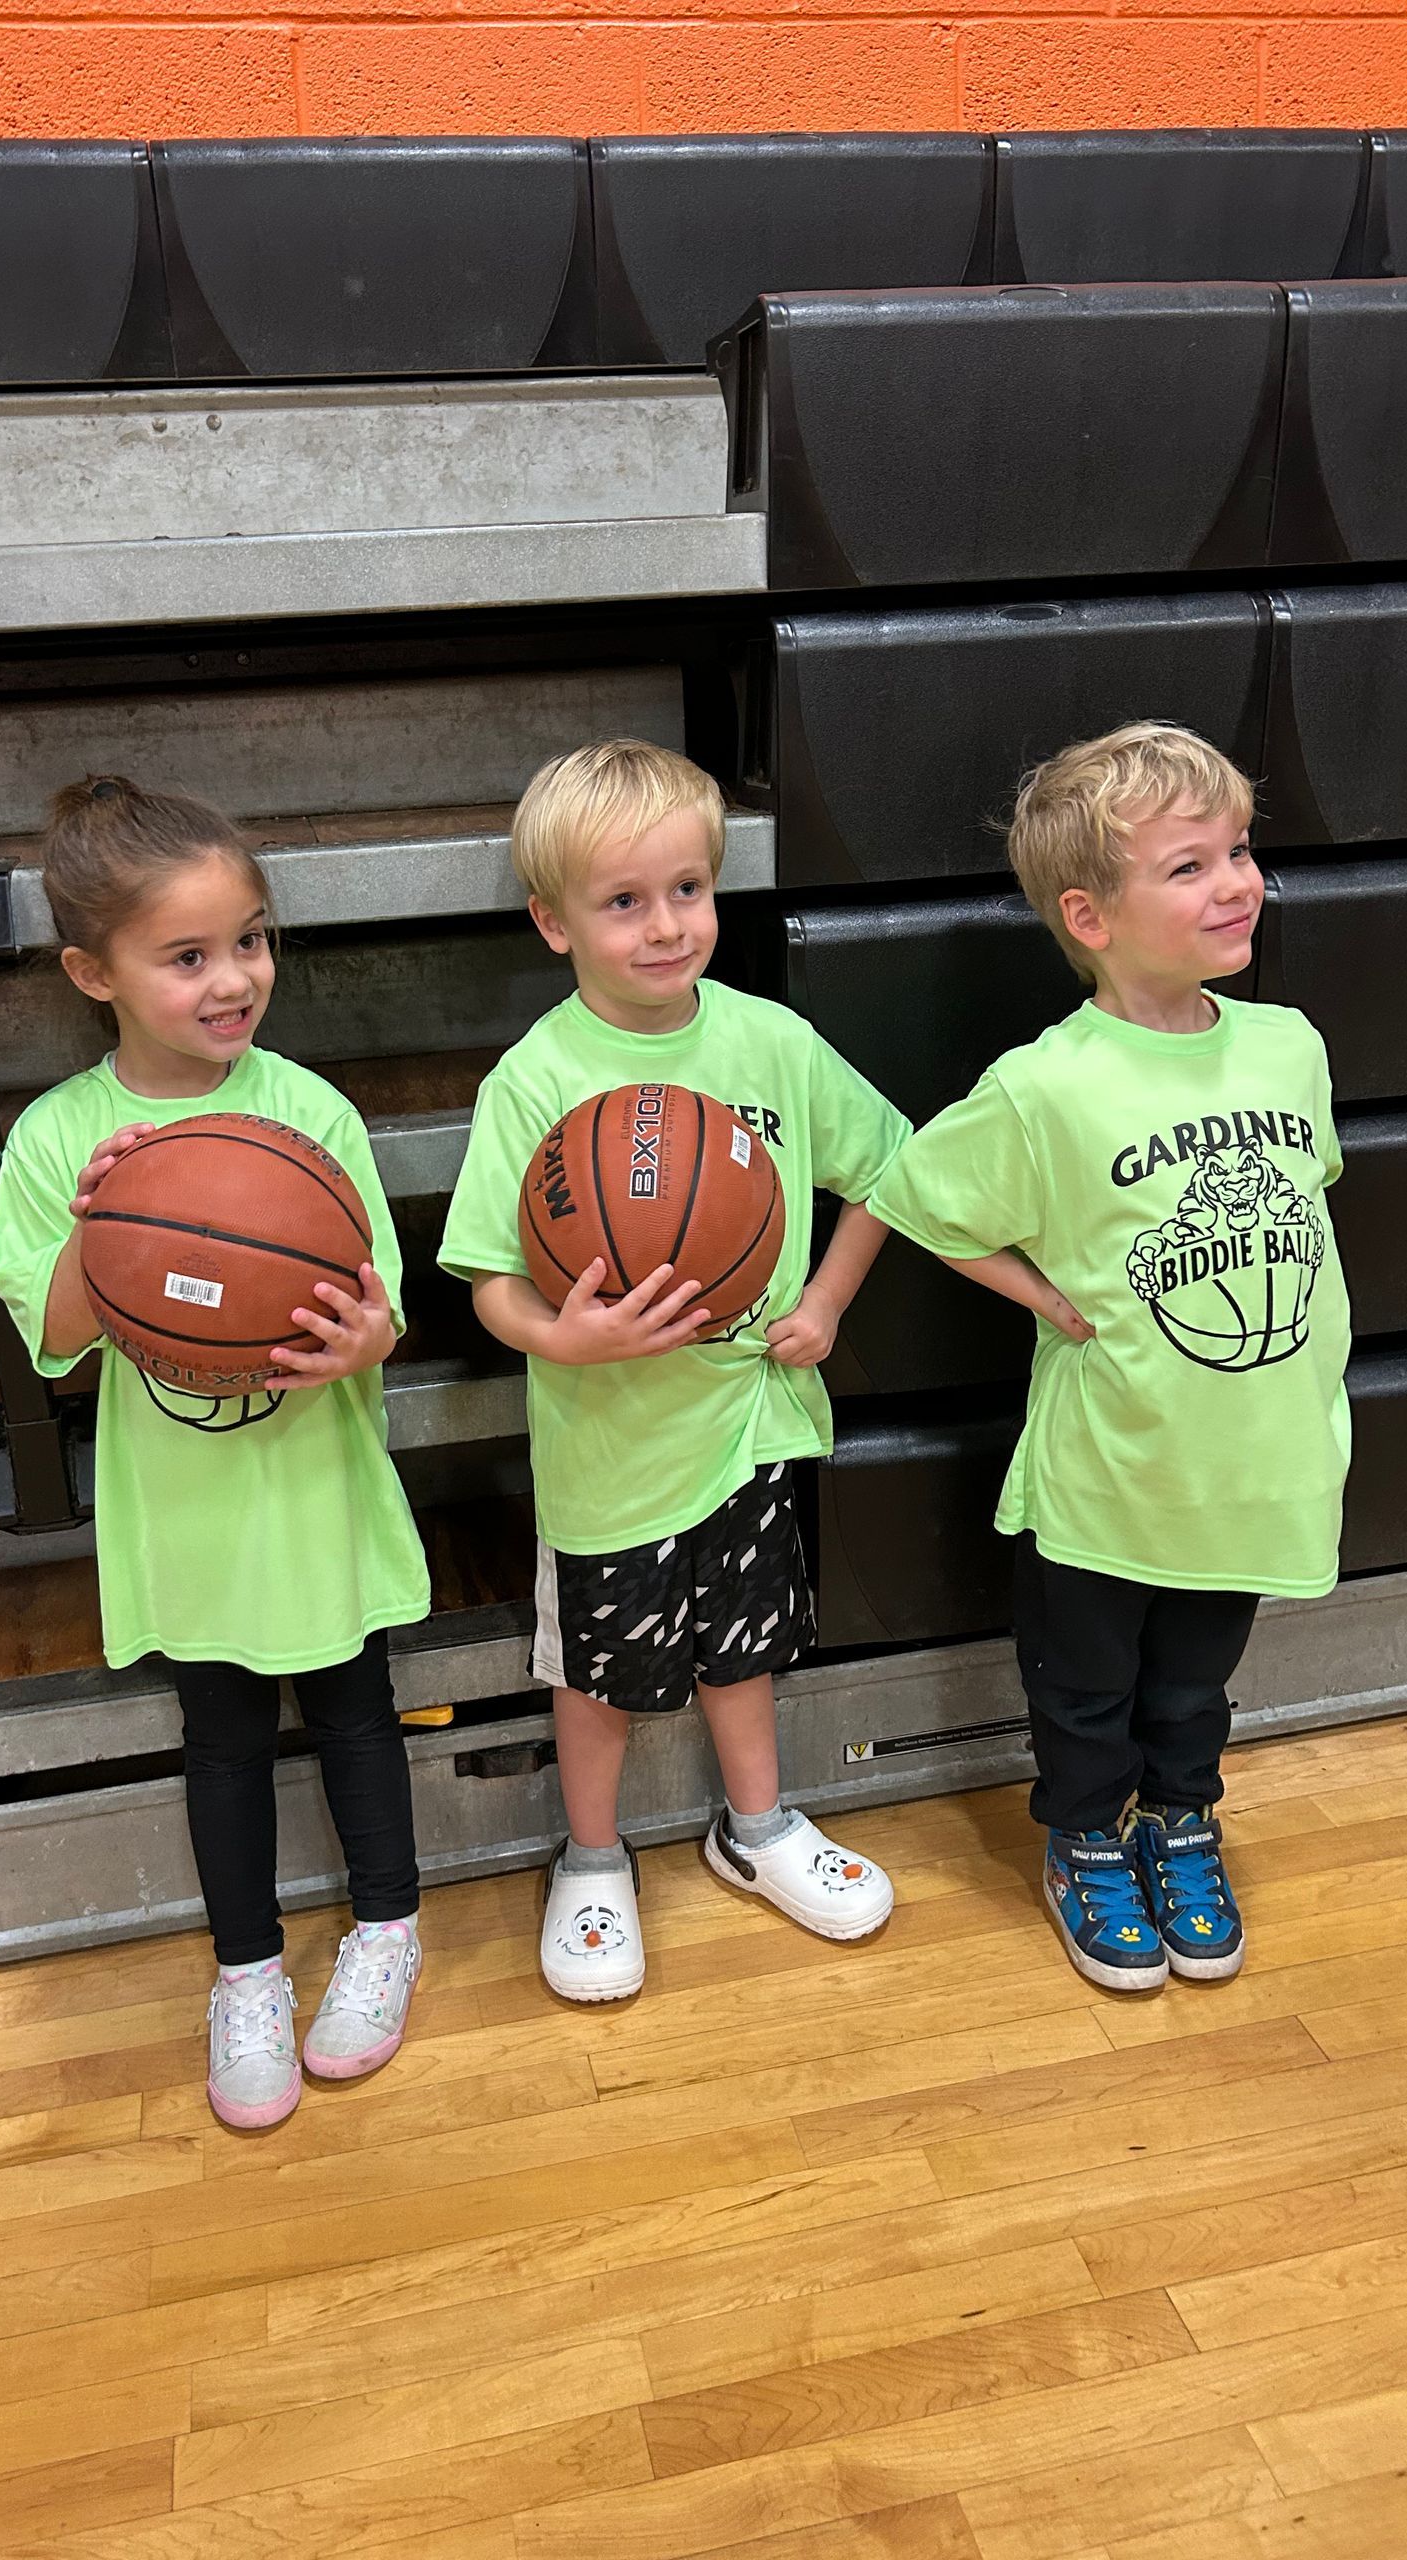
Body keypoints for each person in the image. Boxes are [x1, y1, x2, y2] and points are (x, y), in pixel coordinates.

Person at [870, 723, 1351, 1994]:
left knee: (1195, 1687)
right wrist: (1043, 1295)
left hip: (1251, 1466)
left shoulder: (1288, 1044)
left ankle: (1182, 1823)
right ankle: (1087, 1839)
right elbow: (919, 1192)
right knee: (1087, 1694)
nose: (1238, 882)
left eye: (1240, 850)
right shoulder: (1048, 1086)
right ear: (1089, 913)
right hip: (1107, 1478)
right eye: (1190, 866)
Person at [0, 776, 431, 2125]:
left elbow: (384, 1314)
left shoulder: (311, 1117)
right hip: (185, 1515)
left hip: (316, 1490)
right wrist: (101, 1227)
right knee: (221, 1737)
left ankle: (387, 1931)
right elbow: (55, 1340)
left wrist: (361, 1341)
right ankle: (247, 1971)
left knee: (358, 1712)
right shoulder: (59, 1139)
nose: (234, 978)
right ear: (90, 973)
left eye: (251, 939)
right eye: (188, 956)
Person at [440, 740, 912, 2000]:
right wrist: (561, 1335)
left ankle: (754, 1831)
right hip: (610, 1453)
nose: (666, 926)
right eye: (624, 901)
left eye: (688, 890)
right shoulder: (535, 1081)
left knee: (742, 1649)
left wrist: (821, 1300)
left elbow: (888, 1170)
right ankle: (592, 1857)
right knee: (597, 1679)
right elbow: (487, 1277)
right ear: (555, 922)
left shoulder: (773, 1043)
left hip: (748, 1424)